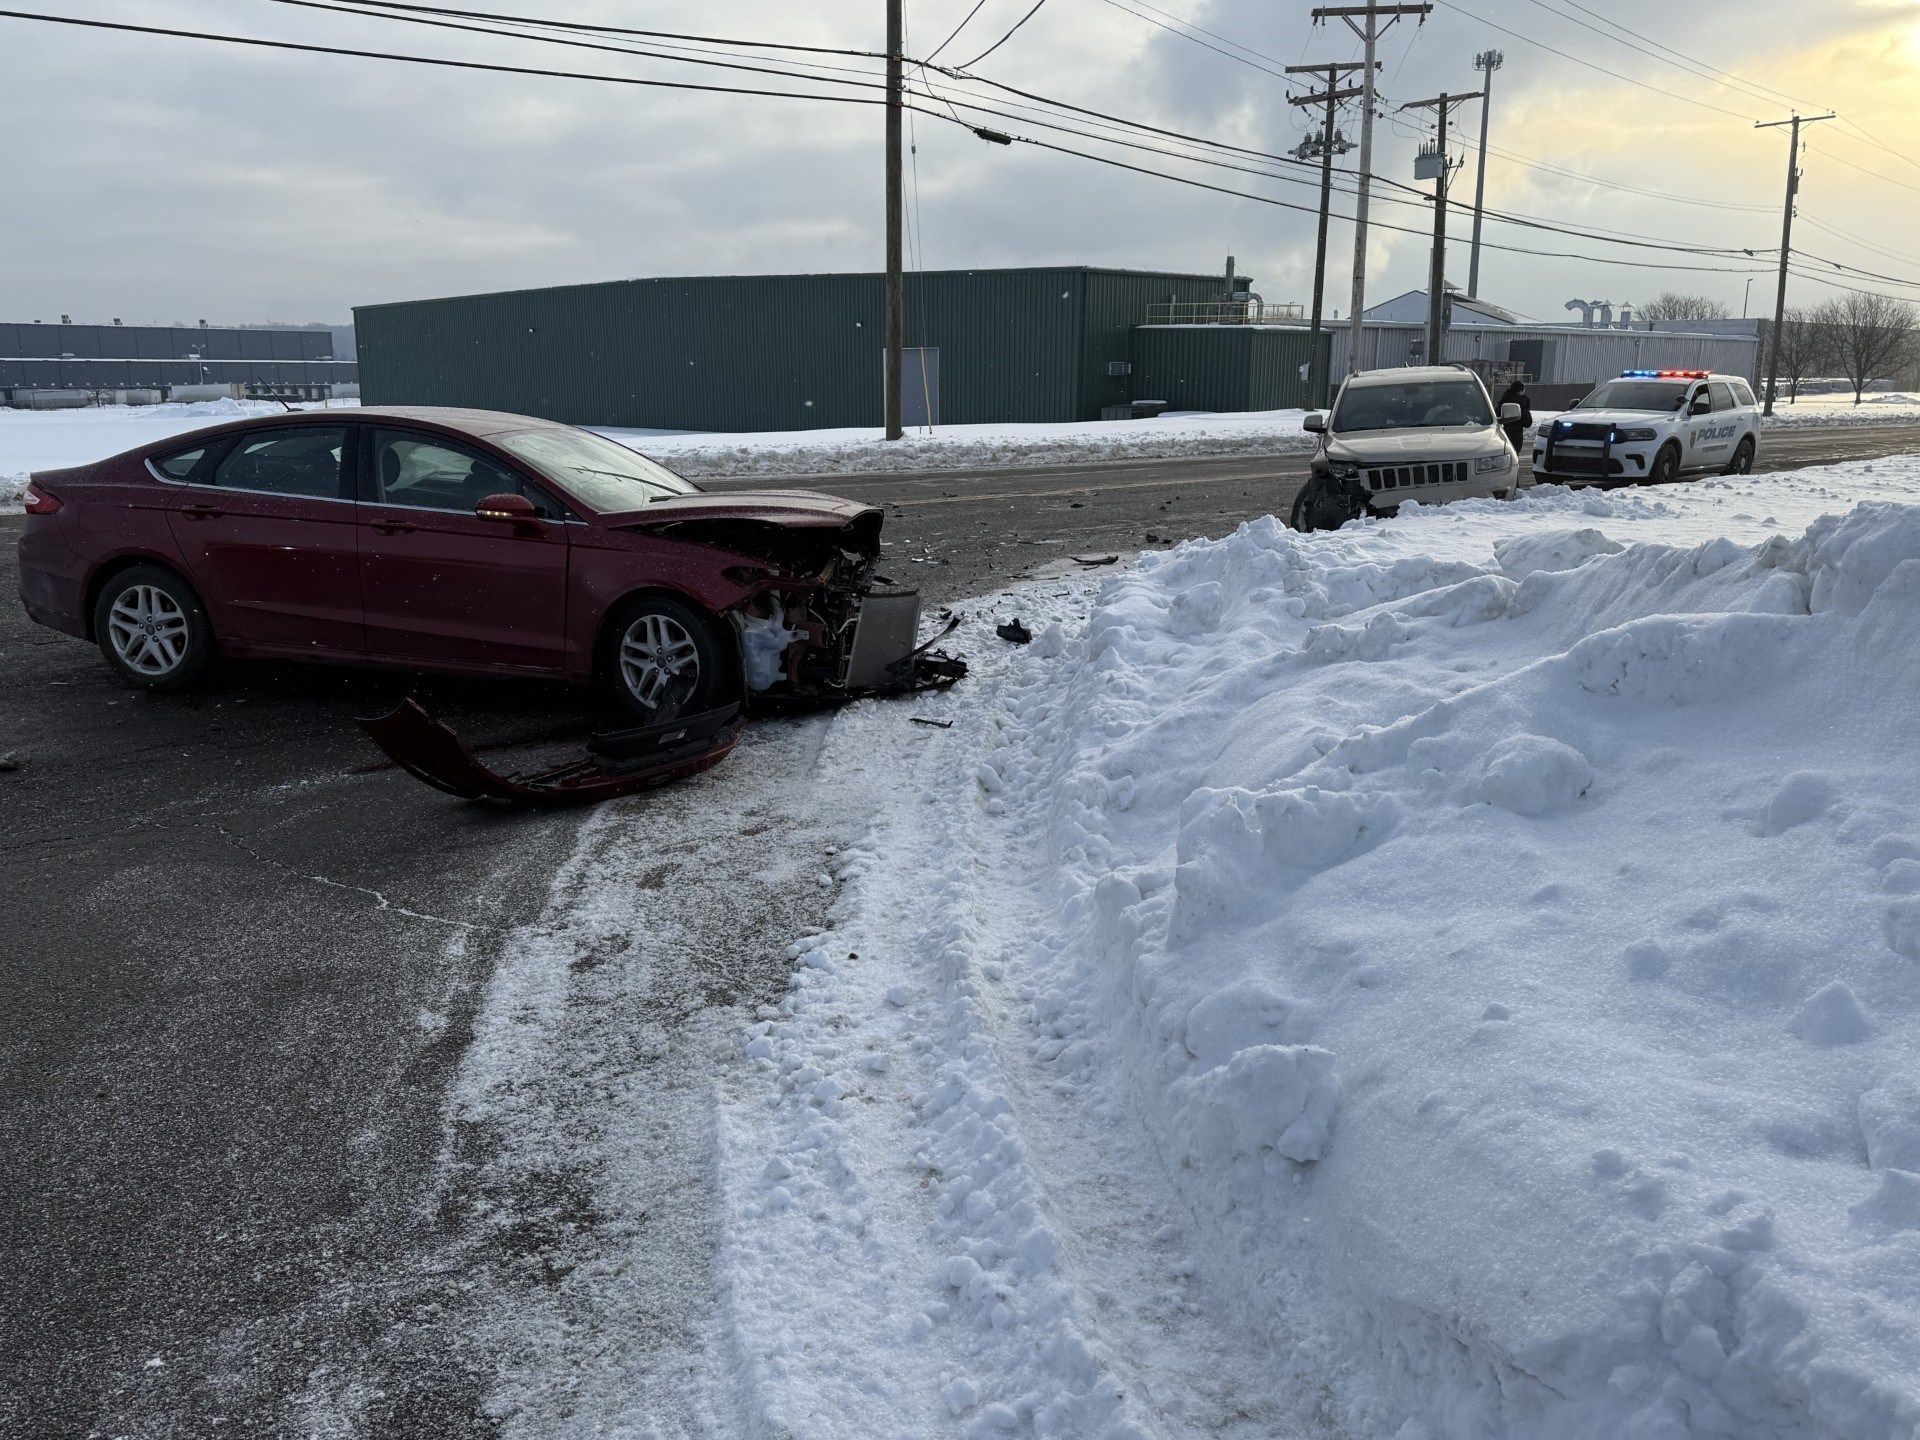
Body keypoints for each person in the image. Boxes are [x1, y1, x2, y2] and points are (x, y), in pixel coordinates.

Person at [1497, 378, 1534, 455]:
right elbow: (1528, 422)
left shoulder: (1504, 399)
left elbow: (1497, 414)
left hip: (1503, 433)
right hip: (1516, 436)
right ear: (1520, 391)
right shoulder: (1522, 402)